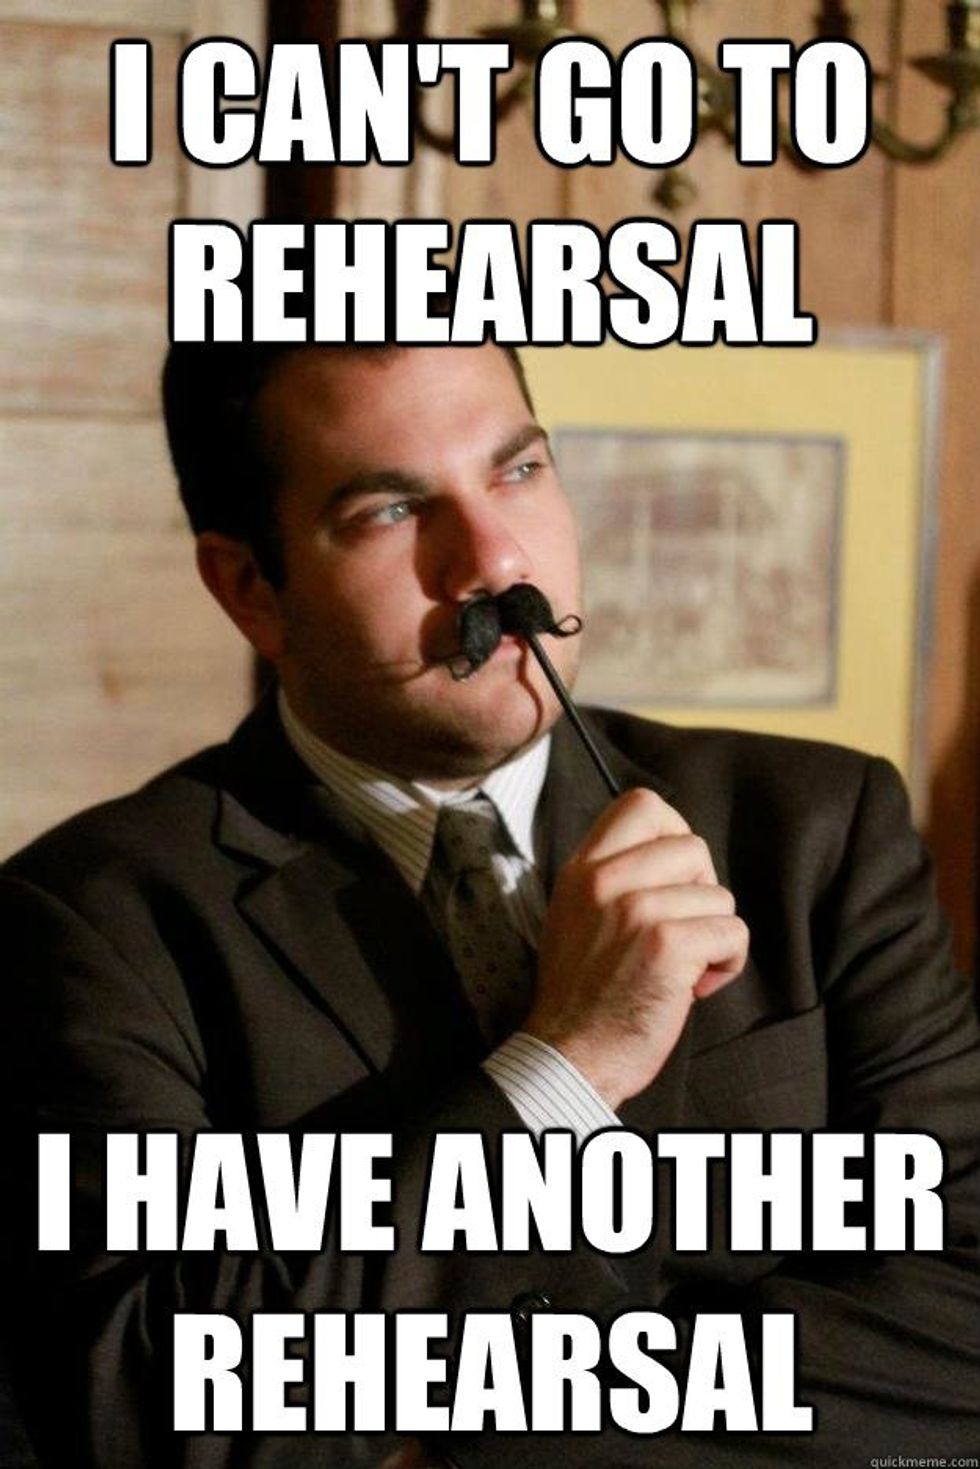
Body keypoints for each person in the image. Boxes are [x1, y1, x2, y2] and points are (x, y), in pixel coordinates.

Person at [2, 341, 978, 1469]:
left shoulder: (818, 828)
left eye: (518, 470)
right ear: (249, 588)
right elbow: (150, 1402)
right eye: (389, 510)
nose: (497, 560)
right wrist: (566, 1065)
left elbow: (961, 1306)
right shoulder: (87, 924)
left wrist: (492, 1446)